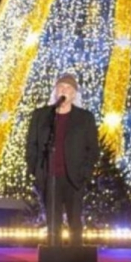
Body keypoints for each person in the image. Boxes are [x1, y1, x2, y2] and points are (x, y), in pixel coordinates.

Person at [25, 73, 99, 247]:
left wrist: (85, 173)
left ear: (74, 94)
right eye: (60, 87)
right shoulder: (41, 115)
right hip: (49, 178)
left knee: (75, 224)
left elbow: (93, 149)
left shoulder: (85, 118)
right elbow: (31, 146)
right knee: (53, 224)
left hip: (74, 179)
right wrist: (37, 171)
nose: (63, 90)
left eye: (67, 88)